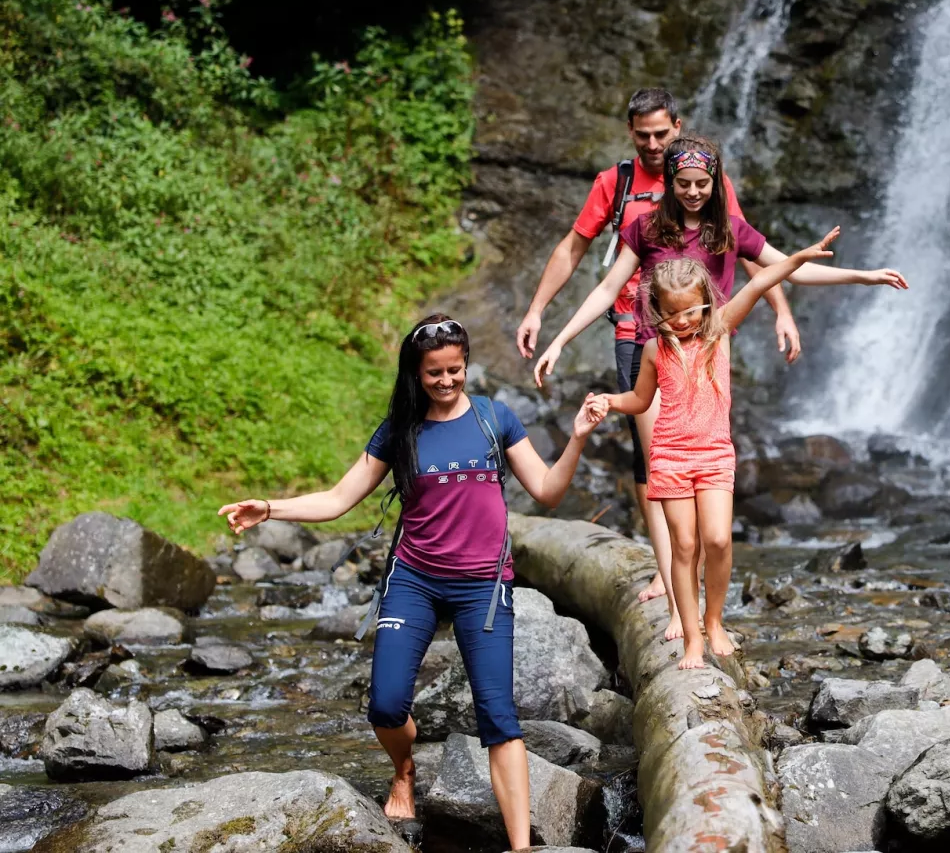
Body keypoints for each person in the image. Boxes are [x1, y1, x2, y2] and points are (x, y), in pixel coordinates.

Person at [219, 315, 605, 850]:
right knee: (386, 704)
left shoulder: (496, 419)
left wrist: (578, 439)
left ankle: (522, 847)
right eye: (434, 373)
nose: (446, 381)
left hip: (481, 587)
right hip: (415, 580)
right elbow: (337, 499)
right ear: (415, 374)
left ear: (466, 364)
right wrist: (270, 508)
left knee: (499, 715)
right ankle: (404, 770)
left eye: (455, 370)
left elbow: (548, 491)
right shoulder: (400, 431)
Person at [534, 135, 906, 639]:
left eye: (701, 184)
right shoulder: (644, 227)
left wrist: (863, 276)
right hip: (656, 355)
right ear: (669, 182)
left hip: (707, 359)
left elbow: (782, 269)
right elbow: (605, 289)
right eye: (683, 184)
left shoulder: (728, 230)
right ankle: (674, 607)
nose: (692, 192)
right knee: (661, 480)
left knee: (707, 502)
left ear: (716, 183)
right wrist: (560, 339)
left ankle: (704, 617)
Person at [512, 88, 798, 608]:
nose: (652, 143)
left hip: (704, 341)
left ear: (678, 127)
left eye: (662, 134)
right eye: (643, 135)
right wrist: (539, 313)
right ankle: (669, 575)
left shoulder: (702, 179)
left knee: (694, 445)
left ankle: (686, 583)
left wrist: (782, 310)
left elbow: (748, 249)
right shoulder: (616, 185)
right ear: (630, 132)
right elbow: (575, 249)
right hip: (638, 333)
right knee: (654, 455)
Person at [586, 228, 842, 669]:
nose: (682, 321)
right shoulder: (652, 349)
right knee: (684, 545)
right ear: (657, 311)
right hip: (668, 455)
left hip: (714, 453)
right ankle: (691, 639)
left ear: (705, 302)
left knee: (719, 540)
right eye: (671, 314)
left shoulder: (718, 330)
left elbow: (759, 282)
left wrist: (799, 257)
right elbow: (641, 401)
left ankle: (715, 618)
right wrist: (610, 401)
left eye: (689, 311)